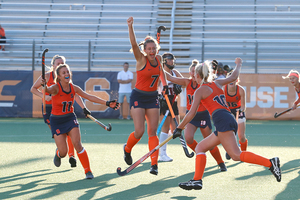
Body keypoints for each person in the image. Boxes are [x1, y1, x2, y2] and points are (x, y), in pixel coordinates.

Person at [173, 58, 281, 190]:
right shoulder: (217, 83)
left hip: (221, 119)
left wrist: (179, 128)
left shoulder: (199, 91)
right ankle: (197, 180)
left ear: (198, 75)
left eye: (195, 73)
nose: (193, 75)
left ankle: (270, 163)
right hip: (228, 118)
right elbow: (234, 76)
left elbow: (191, 113)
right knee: (200, 148)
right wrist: (239, 64)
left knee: (236, 155)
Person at [41, 64, 119, 179]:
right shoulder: (56, 87)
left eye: (68, 72)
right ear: (59, 76)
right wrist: (44, 86)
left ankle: (88, 171)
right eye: (64, 73)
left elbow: (89, 97)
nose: (67, 74)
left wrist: (107, 103)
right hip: (57, 121)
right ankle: (58, 154)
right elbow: (47, 90)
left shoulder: (74, 88)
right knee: (63, 152)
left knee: (77, 144)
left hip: (70, 118)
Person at [123, 16, 169, 175]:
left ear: (157, 49)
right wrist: (130, 26)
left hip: (152, 98)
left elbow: (161, 72)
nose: (151, 51)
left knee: (152, 132)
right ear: (145, 50)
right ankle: (127, 148)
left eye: (153, 49)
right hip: (138, 97)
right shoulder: (140, 58)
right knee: (139, 131)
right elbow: (134, 44)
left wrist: (165, 86)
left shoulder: (159, 58)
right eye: (149, 49)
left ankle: (154, 164)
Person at [165, 59, 227, 171]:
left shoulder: (204, 83)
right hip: (191, 116)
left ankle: (221, 162)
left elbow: (214, 79)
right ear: (190, 73)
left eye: (196, 71)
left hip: (203, 115)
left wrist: (213, 70)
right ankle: (200, 153)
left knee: (211, 144)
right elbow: (169, 78)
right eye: (192, 71)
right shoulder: (187, 82)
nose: (194, 74)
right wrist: (157, 66)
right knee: (188, 139)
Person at [31, 55, 84, 168]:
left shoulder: (65, 77)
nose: (60, 65)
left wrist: (83, 107)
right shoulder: (46, 76)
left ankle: (71, 155)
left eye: (62, 63)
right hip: (50, 109)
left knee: (70, 131)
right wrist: (44, 97)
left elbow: (74, 93)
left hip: (64, 110)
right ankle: (60, 152)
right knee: (60, 135)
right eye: (58, 64)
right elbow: (33, 89)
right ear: (53, 65)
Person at [158, 52, 183, 162]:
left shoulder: (175, 72)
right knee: (166, 127)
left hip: (173, 102)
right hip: (164, 102)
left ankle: (160, 146)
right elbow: (154, 86)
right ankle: (162, 153)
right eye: (170, 59)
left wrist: (179, 85)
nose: (172, 61)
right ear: (164, 61)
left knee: (176, 130)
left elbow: (183, 82)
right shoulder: (160, 73)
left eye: (173, 59)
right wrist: (159, 96)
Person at [224, 72, 248, 160]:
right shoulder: (223, 89)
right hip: (227, 112)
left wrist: (240, 110)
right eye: (229, 79)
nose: (231, 81)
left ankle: (244, 153)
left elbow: (243, 106)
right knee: (228, 134)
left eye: (233, 79)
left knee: (241, 136)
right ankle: (230, 149)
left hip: (238, 111)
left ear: (237, 80)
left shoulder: (241, 90)